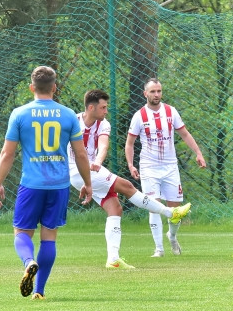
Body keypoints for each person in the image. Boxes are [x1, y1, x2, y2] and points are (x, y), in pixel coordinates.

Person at [0, 66, 92, 299]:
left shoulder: (19, 114)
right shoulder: (68, 115)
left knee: (21, 232)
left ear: (31, 88)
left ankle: (29, 262)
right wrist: (87, 183)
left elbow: (7, 154)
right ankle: (39, 291)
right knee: (49, 235)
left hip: (31, 184)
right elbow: (80, 154)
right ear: (54, 88)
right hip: (58, 185)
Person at [69, 89, 192, 269]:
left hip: (91, 170)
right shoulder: (72, 121)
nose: (106, 111)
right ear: (91, 107)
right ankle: (170, 213)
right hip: (76, 170)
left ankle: (113, 259)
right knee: (126, 186)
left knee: (115, 208)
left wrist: (97, 162)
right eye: (103, 108)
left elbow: (103, 145)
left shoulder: (104, 124)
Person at [124, 78, 207, 257]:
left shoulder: (170, 111)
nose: (156, 95)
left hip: (170, 166)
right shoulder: (139, 116)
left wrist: (198, 153)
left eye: (159, 91)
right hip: (149, 166)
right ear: (145, 93)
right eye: (153, 91)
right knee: (154, 206)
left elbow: (184, 133)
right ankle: (159, 249)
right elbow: (129, 143)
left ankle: (172, 236)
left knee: (175, 210)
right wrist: (131, 164)